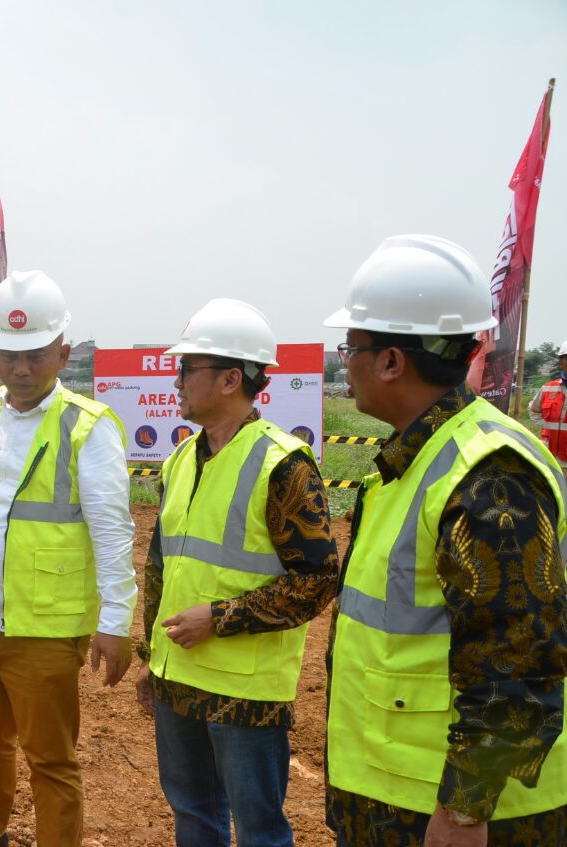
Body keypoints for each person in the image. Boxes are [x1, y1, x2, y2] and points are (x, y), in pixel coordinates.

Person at [323, 234, 567, 845]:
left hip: (457, 814)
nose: (342, 360)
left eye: (351, 345)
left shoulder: (487, 474)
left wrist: (465, 809)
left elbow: (518, 657)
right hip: (393, 791)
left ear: (390, 362)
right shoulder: (419, 457)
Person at [0, 270, 137, 847]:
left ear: (63, 353)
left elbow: (114, 534)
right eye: (8, 355)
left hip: (44, 625)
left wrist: (116, 624)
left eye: (35, 355)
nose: (20, 368)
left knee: (51, 759)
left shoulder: (87, 428)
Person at [135, 299, 339, 847]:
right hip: (178, 676)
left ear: (231, 378)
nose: (175, 379)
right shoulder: (181, 459)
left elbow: (318, 581)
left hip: (244, 694)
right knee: (193, 814)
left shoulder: (284, 465)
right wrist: (152, 659)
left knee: (258, 830)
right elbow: (162, 566)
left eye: (187, 369)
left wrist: (220, 619)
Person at [529, 340, 567, 467]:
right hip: (548, 458)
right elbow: (533, 410)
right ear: (561, 361)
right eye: (566, 358)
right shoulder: (548, 388)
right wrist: (546, 425)